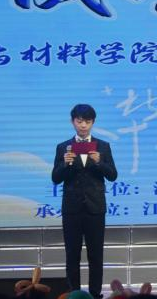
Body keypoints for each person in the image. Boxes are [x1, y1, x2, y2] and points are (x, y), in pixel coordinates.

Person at [52, 104, 118, 297]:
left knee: (95, 255)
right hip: (71, 209)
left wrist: (99, 162)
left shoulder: (103, 146)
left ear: (93, 122)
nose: (83, 125)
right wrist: (65, 164)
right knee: (72, 255)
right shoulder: (63, 147)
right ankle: (74, 294)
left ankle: (95, 295)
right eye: (79, 121)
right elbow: (55, 178)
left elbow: (113, 175)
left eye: (87, 121)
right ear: (72, 122)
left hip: (95, 208)